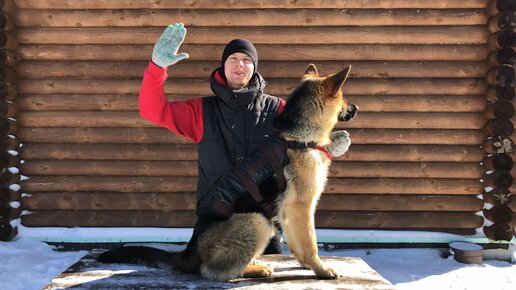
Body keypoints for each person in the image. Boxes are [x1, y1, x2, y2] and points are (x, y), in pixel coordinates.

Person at [138, 23, 351, 254]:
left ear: (254, 67)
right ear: (223, 65)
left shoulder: (278, 109)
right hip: (217, 227)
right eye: (233, 58)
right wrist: (157, 67)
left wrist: (326, 150)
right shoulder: (201, 111)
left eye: (246, 60)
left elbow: (303, 147)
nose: (240, 64)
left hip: (265, 226)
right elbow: (152, 110)